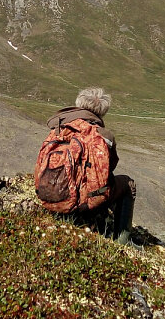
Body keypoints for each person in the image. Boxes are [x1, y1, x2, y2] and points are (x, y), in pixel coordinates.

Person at [45, 87, 136, 244]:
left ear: (79, 103)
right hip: (82, 202)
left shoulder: (58, 128)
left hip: (49, 193)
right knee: (128, 184)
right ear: (102, 111)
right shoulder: (104, 136)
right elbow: (109, 168)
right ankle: (122, 242)